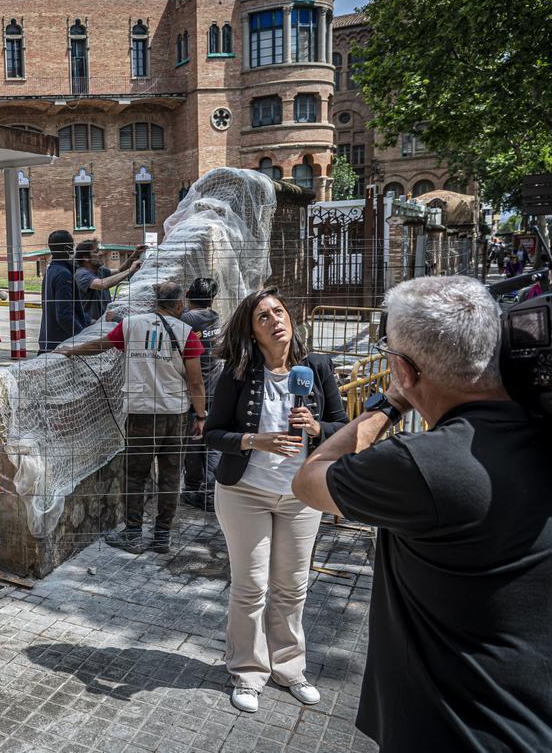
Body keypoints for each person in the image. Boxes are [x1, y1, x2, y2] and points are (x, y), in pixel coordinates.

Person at [293, 276, 552, 752]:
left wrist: (389, 402)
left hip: (455, 730)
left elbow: (310, 477)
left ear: (404, 370)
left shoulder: (421, 466)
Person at [202, 288, 347, 714]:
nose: (275, 320)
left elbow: (341, 425)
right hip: (244, 493)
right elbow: (213, 433)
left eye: (278, 312)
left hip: (302, 495)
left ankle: (288, 667)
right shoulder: (236, 373)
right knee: (250, 588)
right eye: (263, 317)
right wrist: (255, 440)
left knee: (292, 587)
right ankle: (248, 672)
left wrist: (317, 427)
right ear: (252, 331)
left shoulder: (316, 367)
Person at [62, 281, 207, 553]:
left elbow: (100, 345)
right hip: (175, 414)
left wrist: (70, 350)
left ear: (155, 302)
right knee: (170, 476)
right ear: (179, 305)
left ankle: (132, 533)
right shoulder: (188, 333)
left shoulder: (131, 325)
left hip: (141, 413)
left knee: (135, 476)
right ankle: (162, 536)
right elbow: (196, 382)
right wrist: (200, 415)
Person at [181, 277, 222, 512]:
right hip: (215, 384)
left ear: (187, 293)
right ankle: (206, 492)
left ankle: (198, 490)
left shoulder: (187, 318)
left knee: (195, 440)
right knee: (209, 439)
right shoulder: (213, 316)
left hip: (197, 387)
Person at [72, 239, 145, 329]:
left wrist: (136, 253)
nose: (101, 253)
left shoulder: (100, 270)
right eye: (96, 251)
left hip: (103, 322)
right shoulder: (81, 274)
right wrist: (130, 270)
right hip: (90, 324)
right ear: (86, 258)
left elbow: (120, 270)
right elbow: (103, 284)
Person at [37, 230, 80, 353]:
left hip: (49, 340)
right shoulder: (63, 274)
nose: (74, 249)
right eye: (73, 245)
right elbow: (64, 315)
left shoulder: (51, 270)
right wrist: (81, 335)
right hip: (61, 344)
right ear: (68, 248)